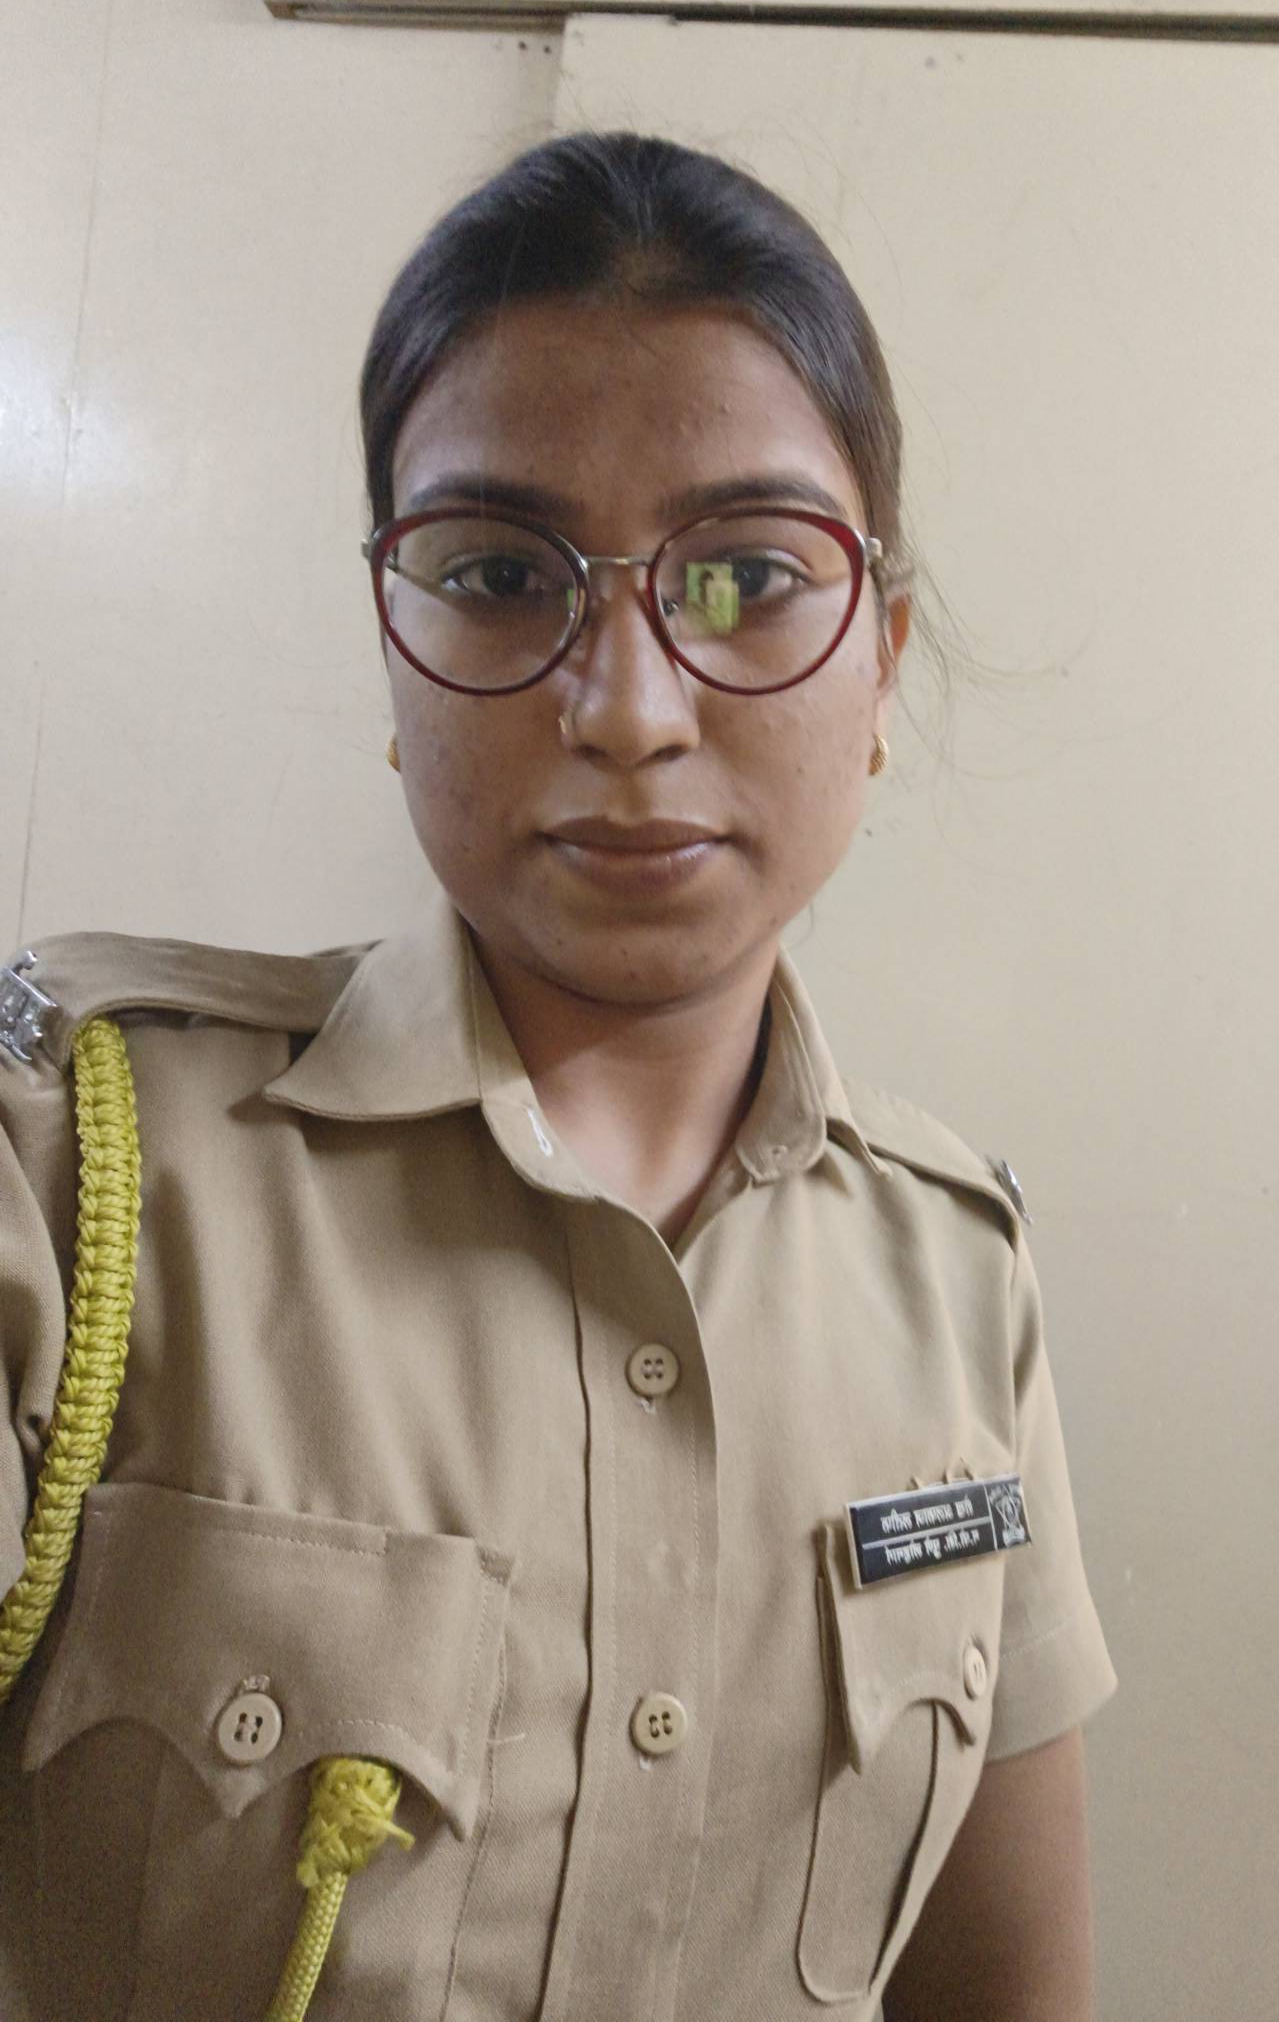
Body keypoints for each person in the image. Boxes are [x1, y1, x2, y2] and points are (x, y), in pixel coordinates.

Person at [0, 130, 1115, 2021]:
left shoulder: (955, 1279)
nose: (628, 707)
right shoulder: (80, 1178)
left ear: (880, 664)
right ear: (395, 650)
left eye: (747, 576)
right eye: (503, 573)